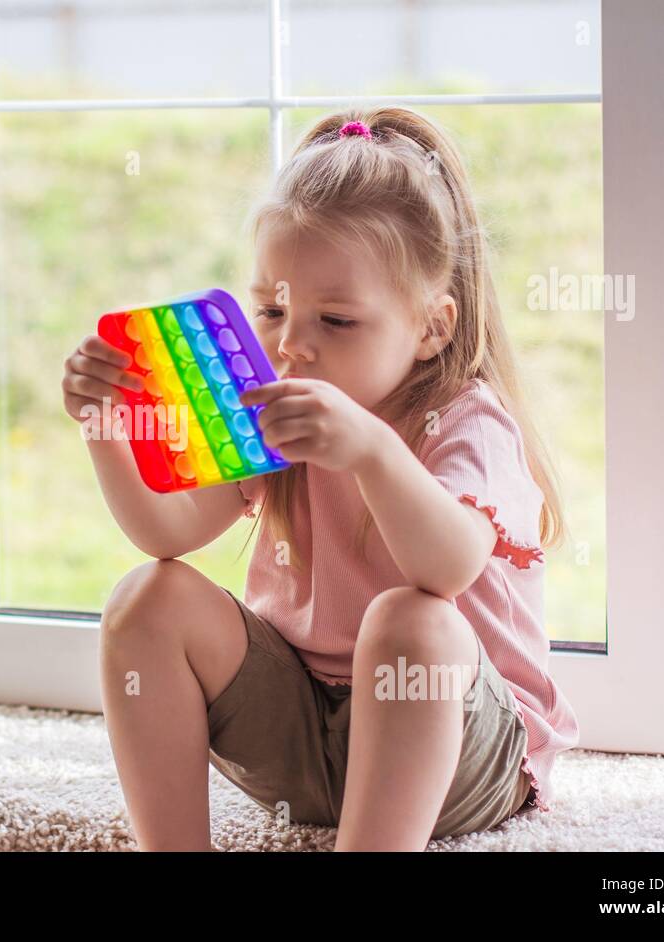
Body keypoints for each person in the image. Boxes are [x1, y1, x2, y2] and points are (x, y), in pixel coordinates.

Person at [61, 108, 579, 851]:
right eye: (272, 309)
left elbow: (447, 567)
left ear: (432, 327)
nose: (292, 344)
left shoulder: (467, 418)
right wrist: (105, 430)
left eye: (335, 320)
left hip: (455, 749)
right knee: (147, 597)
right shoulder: (271, 406)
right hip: (305, 741)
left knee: (414, 619)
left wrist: (369, 449)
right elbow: (165, 533)